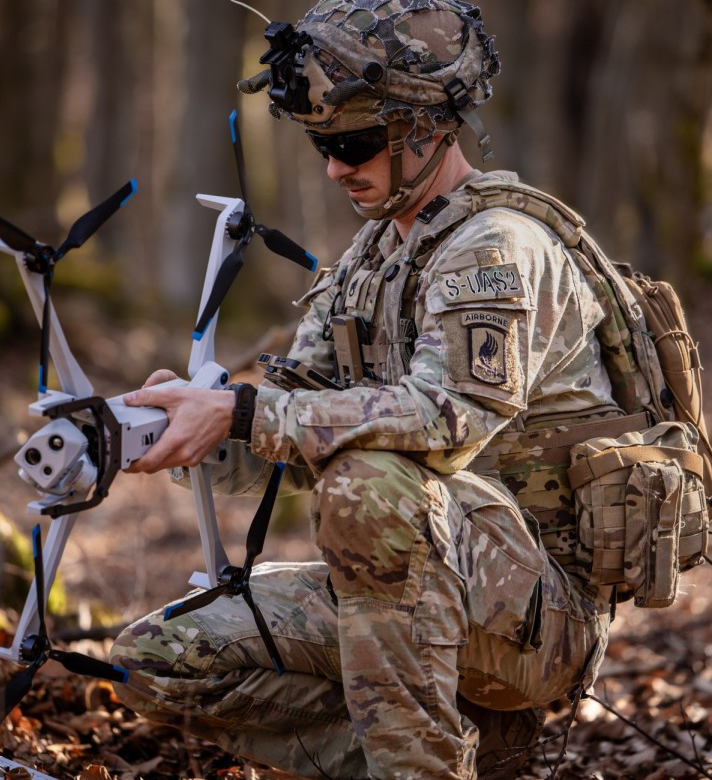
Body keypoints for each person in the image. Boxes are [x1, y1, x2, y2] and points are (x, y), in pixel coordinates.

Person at [110, 1, 626, 778]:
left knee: (368, 484)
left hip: (535, 619)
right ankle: (466, 752)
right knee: (155, 659)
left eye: (353, 144)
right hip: (419, 580)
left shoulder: (496, 249)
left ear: (426, 129)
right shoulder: (373, 256)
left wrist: (245, 411)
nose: (334, 168)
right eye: (322, 144)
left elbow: (448, 419)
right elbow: (292, 419)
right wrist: (173, 427)